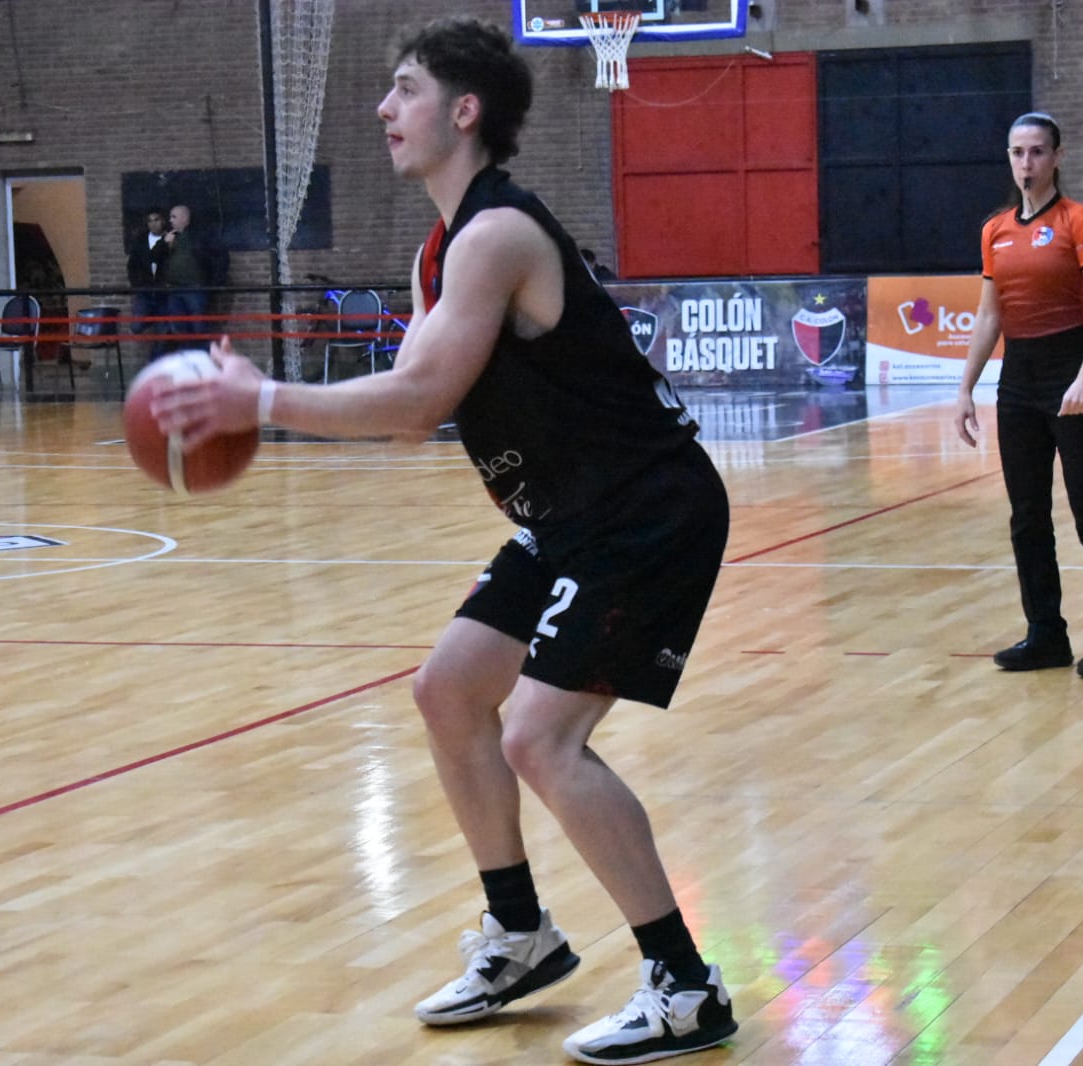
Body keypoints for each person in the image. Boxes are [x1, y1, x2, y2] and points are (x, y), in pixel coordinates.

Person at [150, 16, 737, 1065]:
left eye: (406, 88)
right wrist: (268, 400)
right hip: (566, 518)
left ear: (464, 111)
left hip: (645, 509)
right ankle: (520, 934)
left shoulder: (498, 235)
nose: (385, 108)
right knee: (449, 691)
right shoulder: (442, 249)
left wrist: (261, 399)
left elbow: (419, 399)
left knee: (540, 739)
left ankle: (685, 986)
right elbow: (407, 407)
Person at [955, 112, 1083, 680]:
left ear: (1057, 157)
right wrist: (965, 388)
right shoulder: (995, 230)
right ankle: (1046, 636)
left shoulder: (1081, 220)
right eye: (1017, 152)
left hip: (1072, 367)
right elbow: (990, 315)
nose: (1026, 162)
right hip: (1019, 380)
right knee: (1027, 516)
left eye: (1036, 151)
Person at [159, 203, 212, 351]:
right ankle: (188, 359)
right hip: (174, 290)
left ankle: (204, 360)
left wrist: (212, 283)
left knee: (199, 327)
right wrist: (165, 246)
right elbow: (155, 261)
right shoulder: (168, 238)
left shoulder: (199, 237)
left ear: (184, 218)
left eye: (174, 217)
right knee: (178, 328)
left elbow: (214, 258)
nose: (170, 220)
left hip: (195, 288)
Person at [126, 206, 170, 361]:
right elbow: (132, 266)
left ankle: (155, 362)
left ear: (163, 221)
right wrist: (137, 285)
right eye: (150, 221)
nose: (153, 224)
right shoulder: (140, 241)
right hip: (145, 291)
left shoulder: (171, 239)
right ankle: (155, 318)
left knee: (163, 333)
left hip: (164, 293)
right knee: (136, 326)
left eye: (156, 220)